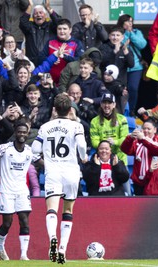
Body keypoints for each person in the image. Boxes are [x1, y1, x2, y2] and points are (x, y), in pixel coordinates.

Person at [31, 93, 88, 264]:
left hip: (53, 171)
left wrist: (43, 156)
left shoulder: (45, 127)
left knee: (51, 210)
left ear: (54, 109)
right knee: (68, 211)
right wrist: (83, 156)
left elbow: (34, 148)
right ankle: (62, 249)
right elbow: (82, 145)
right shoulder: (76, 126)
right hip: (71, 171)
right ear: (70, 110)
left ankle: (53, 240)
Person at [0, 121, 34, 261]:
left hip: (22, 191)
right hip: (6, 191)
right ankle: (0, 245)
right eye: (19, 132)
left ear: (28, 134)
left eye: (24, 132)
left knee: (24, 221)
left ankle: (24, 254)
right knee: (7, 223)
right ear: (15, 133)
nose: (22, 134)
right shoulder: (5, 148)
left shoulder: (29, 151)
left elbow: (41, 161)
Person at [121, 119, 158, 195]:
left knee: (153, 204)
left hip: (154, 179)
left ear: (155, 130)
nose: (146, 131)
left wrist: (144, 139)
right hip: (139, 180)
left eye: (149, 129)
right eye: (144, 128)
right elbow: (125, 150)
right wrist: (130, 138)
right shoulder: (136, 140)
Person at [116, 14, 147, 115]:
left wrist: (131, 34)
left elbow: (142, 44)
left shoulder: (137, 32)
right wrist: (125, 34)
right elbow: (118, 44)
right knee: (121, 90)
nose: (130, 23)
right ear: (122, 22)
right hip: (122, 67)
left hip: (135, 67)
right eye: (128, 21)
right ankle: (121, 110)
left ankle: (131, 110)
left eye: (131, 21)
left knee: (133, 88)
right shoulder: (118, 33)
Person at [40, 18, 84, 84]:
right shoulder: (50, 41)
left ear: (70, 30)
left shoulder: (77, 43)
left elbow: (80, 61)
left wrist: (64, 57)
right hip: (50, 81)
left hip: (69, 82)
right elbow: (40, 57)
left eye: (64, 29)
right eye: (59, 29)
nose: (62, 31)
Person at [19, 0, 61, 66]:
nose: (38, 15)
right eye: (36, 13)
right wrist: (30, 6)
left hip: (48, 62)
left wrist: (48, 8)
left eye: (41, 12)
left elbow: (59, 22)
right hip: (32, 63)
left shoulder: (51, 26)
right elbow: (23, 22)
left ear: (46, 15)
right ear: (33, 17)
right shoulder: (29, 27)